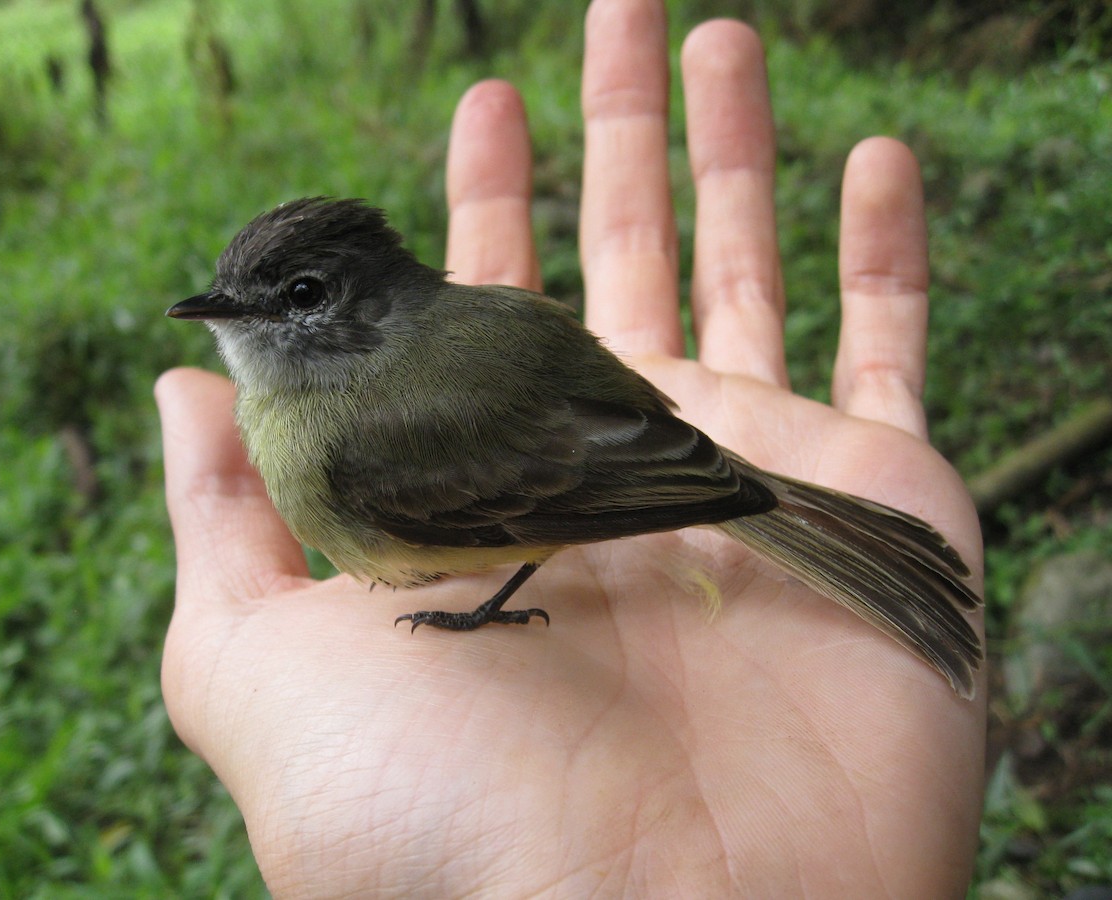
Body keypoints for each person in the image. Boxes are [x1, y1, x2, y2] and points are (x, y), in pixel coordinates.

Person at [154, 0, 987, 893]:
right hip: (613, 437)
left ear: (376, 296)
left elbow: (549, 495)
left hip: (600, 471)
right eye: (243, 299)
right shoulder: (410, 363)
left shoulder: (353, 449)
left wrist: (484, 608)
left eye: (302, 294)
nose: (241, 320)